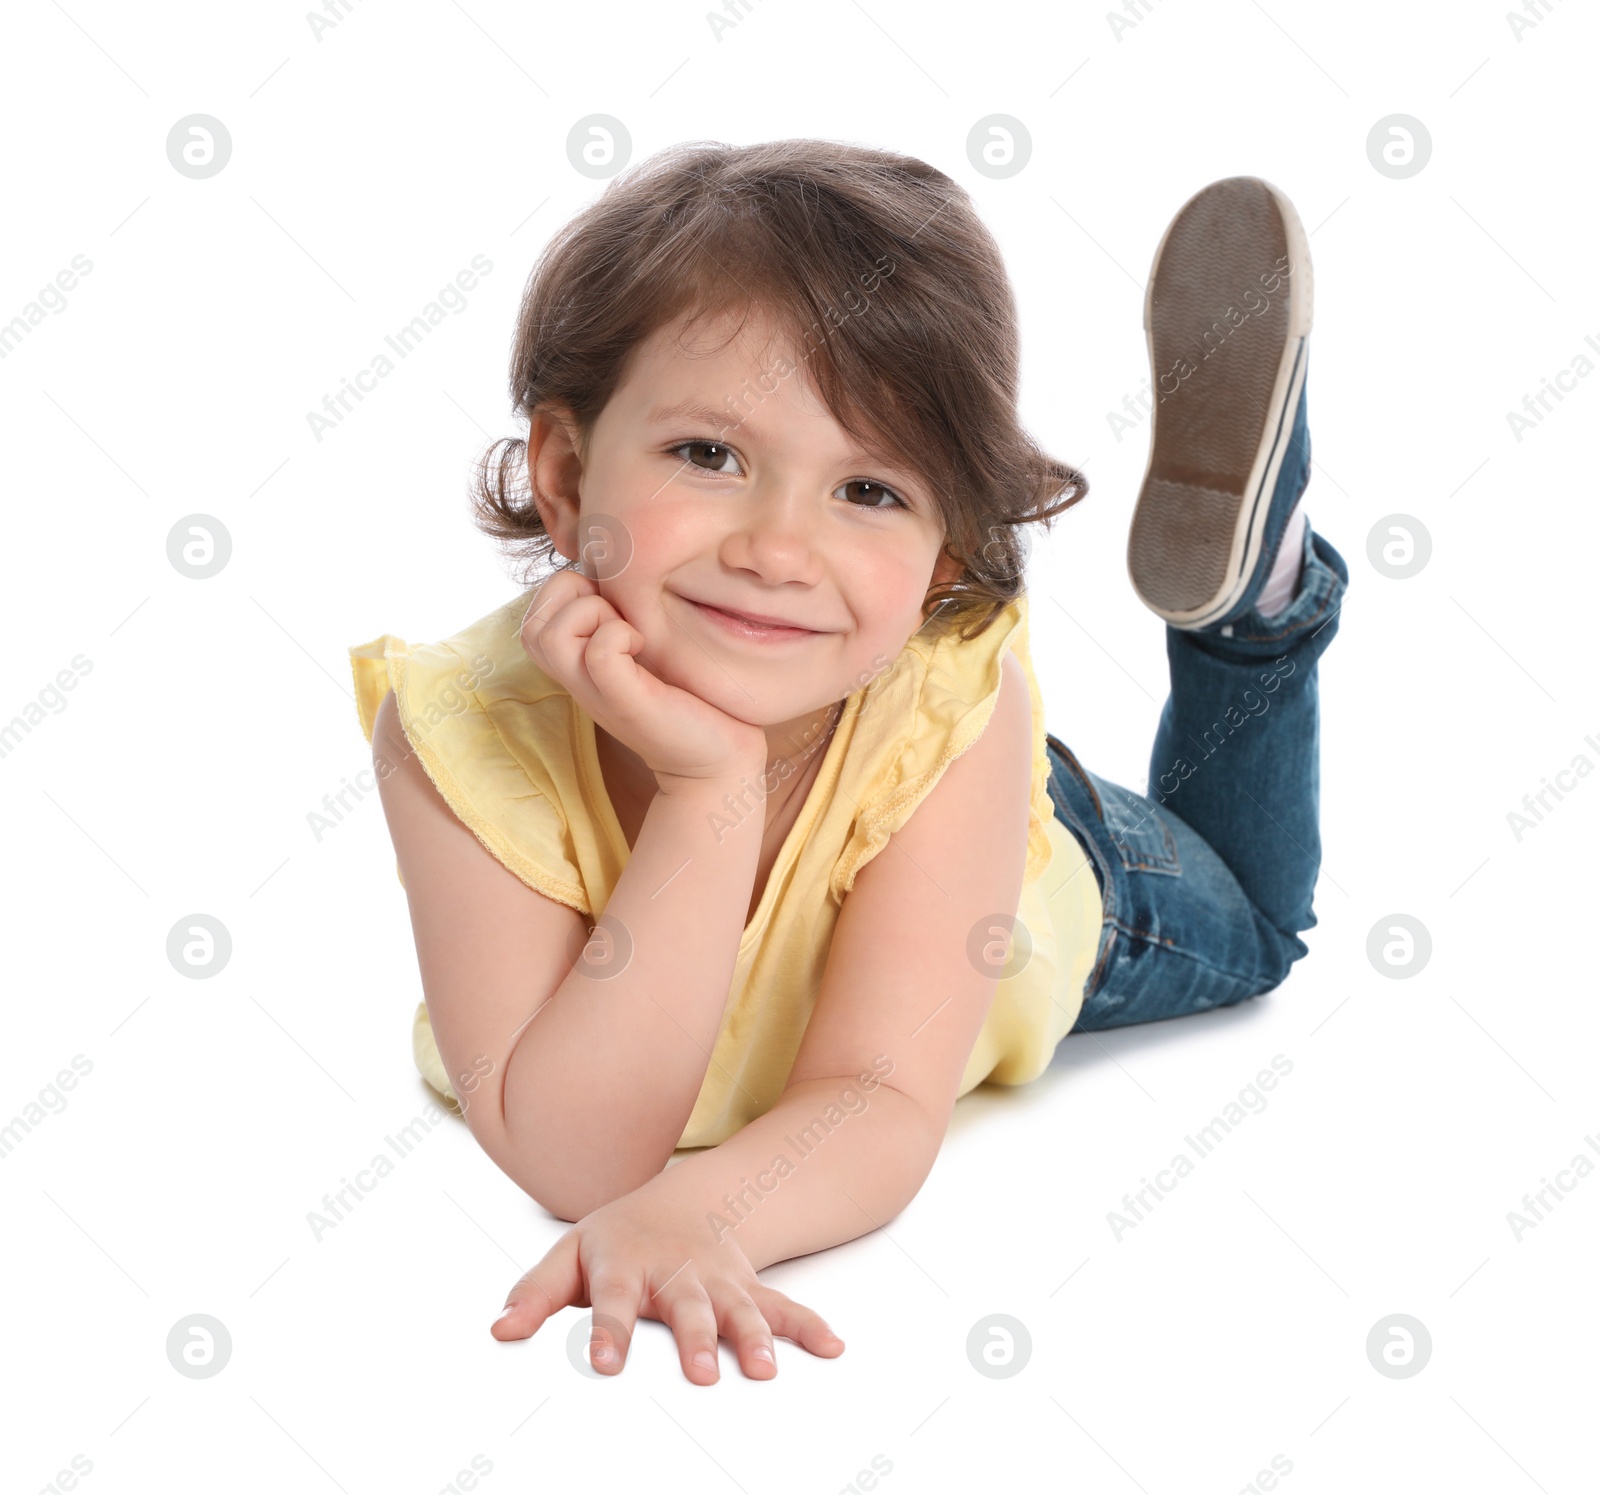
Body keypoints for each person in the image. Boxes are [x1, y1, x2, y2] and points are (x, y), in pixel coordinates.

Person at [347, 140, 1349, 1387]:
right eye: (709, 455)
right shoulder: (461, 732)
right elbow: (579, 1158)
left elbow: (876, 1090)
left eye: (869, 488)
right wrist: (709, 791)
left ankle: (1252, 611)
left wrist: (711, 1210)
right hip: (867, 754)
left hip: (1018, 867)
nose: (777, 549)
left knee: (1255, 926)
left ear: (944, 558)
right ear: (562, 475)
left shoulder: (952, 713)